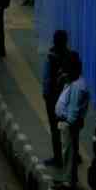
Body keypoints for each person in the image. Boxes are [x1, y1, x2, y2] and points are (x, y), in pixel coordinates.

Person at [53, 51, 90, 190]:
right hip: (67, 123)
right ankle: (67, 178)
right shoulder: (73, 82)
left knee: (69, 153)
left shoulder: (77, 86)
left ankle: (69, 183)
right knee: (68, 153)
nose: (65, 72)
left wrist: (68, 122)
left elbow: (74, 110)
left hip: (69, 124)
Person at [41, 30, 71, 168]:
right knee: (68, 128)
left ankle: (58, 158)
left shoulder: (50, 57)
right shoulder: (70, 57)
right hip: (67, 97)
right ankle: (72, 156)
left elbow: (46, 79)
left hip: (53, 98)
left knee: (55, 128)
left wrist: (45, 94)